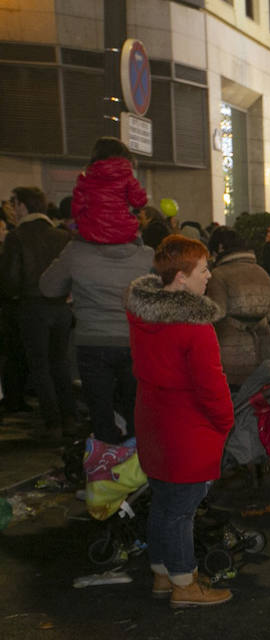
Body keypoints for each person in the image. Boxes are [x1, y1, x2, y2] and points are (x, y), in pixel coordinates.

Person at [125, 235, 234, 607]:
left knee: (163, 504)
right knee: (181, 511)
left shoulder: (141, 314)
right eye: (203, 269)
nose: (209, 276)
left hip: (153, 423)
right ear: (182, 277)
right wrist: (224, 422)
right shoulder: (195, 327)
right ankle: (185, 583)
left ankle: (161, 573)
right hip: (188, 429)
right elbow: (212, 386)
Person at [40, 200, 155, 445]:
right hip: (135, 341)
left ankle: (105, 469)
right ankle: (136, 470)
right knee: (139, 413)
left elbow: (48, 288)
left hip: (92, 341)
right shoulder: (147, 256)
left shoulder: (76, 251)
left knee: (100, 413)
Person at [1, 186, 77, 438]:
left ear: (23, 205)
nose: (12, 210)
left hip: (32, 307)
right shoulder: (62, 236)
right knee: (60, 363)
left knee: (40, 366)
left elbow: (10, 280)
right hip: (61, 308)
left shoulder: (16, 237)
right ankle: (70, 417)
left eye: (14, 204)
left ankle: (52, 422)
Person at [205, 228, 270, 387]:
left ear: (219, 248)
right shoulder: (263, 272)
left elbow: (217, 312)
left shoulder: (219, 274)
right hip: (263, 349)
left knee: (233, 403)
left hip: (230, 351)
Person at [71, 137, 148, 245]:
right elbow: (139, 201)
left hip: (91, 232)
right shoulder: (127, 177)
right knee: (140, 245)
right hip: (123, 230)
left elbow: (76, 210)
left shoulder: (85, 178)